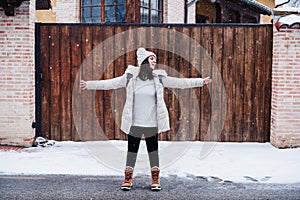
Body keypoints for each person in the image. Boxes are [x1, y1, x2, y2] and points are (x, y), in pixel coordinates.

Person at [80, 48, 212, 191]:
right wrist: (89, 85)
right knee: (132, 151)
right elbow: (109, 83)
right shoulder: (130, 77)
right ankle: (128, 178)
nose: (154, 61)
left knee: (153, 151)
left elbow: (180, 83)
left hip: (152, 123)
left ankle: (155, 179)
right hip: (135, 122)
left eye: (155, 59)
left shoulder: (159, 78)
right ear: (143, 61)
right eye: (151, 59)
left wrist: (201, 82)